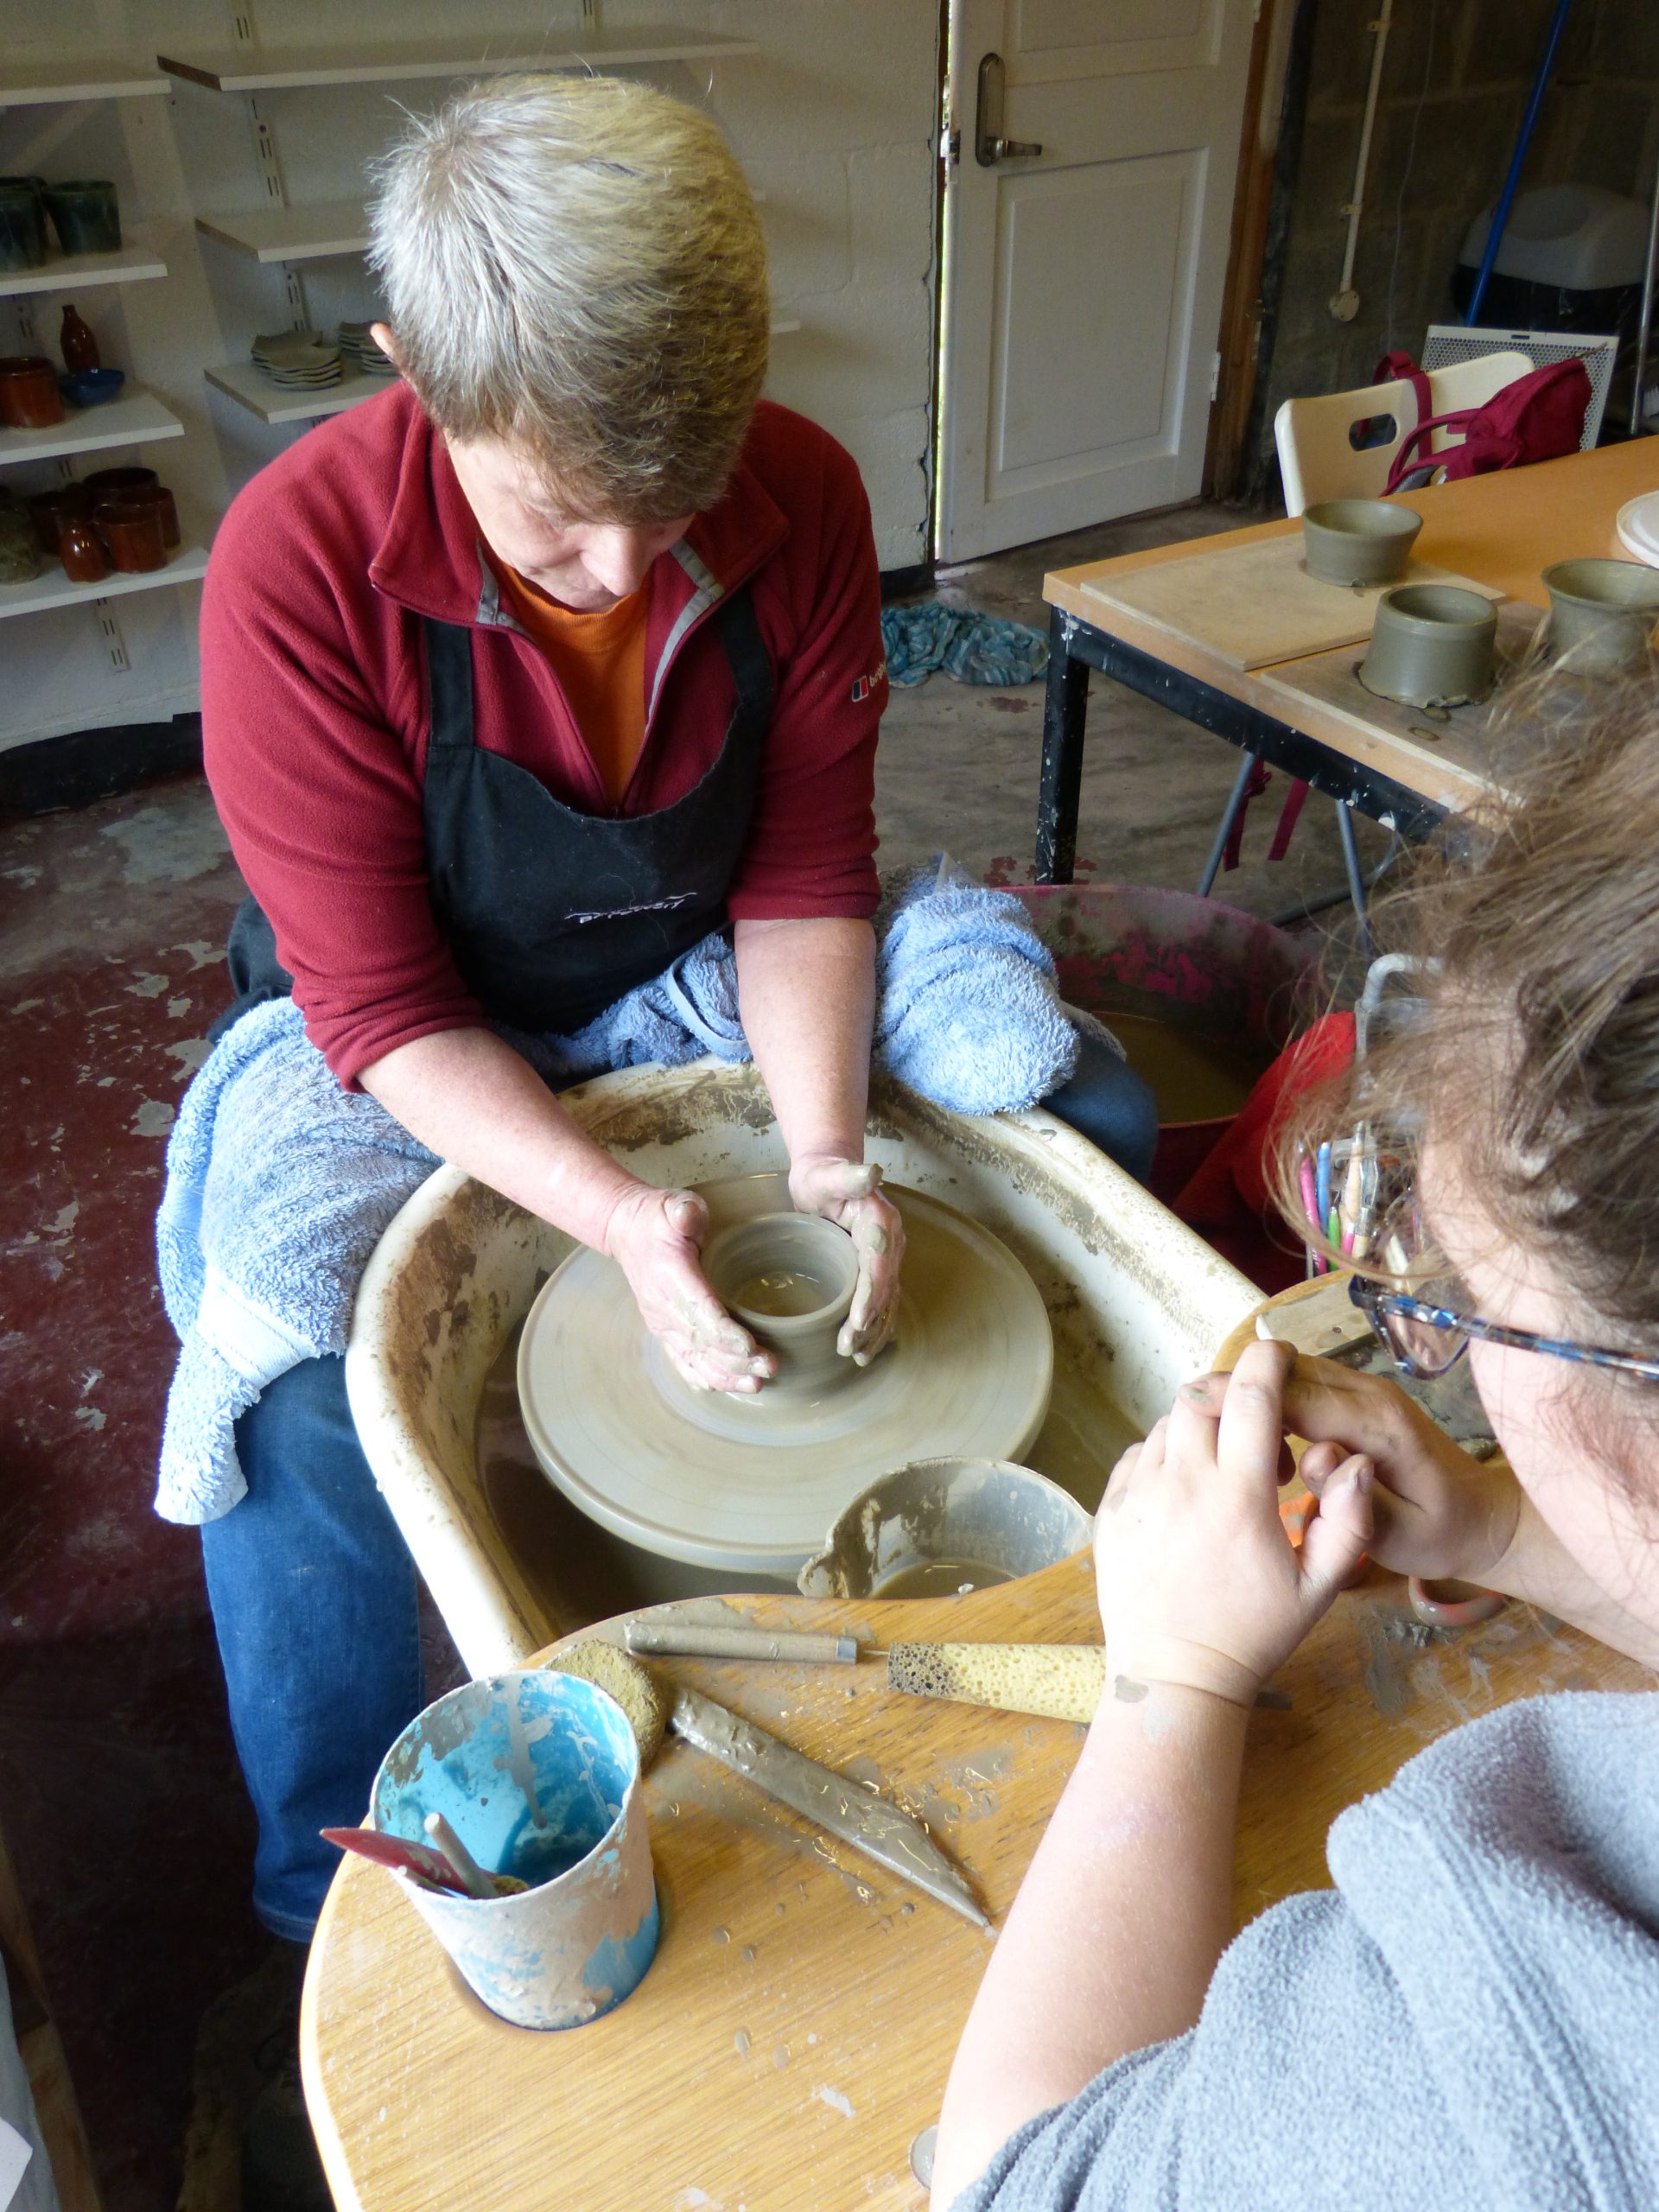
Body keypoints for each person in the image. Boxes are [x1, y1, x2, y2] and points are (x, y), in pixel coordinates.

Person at [171, 71, 1158, 1969]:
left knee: (1081, 1118)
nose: (625, 575)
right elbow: (374, 995)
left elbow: (802, 869)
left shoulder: (805, 489)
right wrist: (617, 1215)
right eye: (559, 523)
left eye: (671, 514)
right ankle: (329, 1908)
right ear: (413, 374)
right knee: (292, 1384)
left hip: (696, 955)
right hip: (415, 1022)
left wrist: (827, 1159)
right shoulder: (297, 565)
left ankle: (1106, 1632)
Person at [931, 702, 1659, 2209]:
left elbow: (1024, 2179)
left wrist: (1176, 1677)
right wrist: (1508, 1533)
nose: (1437, 1334)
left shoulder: (1544, 2027)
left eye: (1464, 1304)